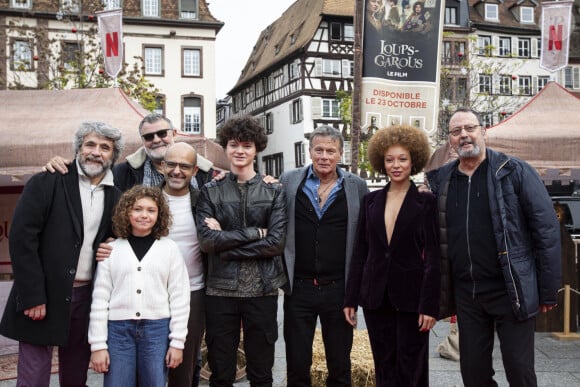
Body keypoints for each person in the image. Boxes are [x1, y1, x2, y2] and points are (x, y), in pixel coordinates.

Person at [426, 107, 561, 387]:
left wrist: (547, 291)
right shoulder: (443, 180)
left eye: (469, 128)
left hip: (509, 289)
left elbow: (546, 231)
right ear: (449, 140)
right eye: (455, 131)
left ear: (483, 130)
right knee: (473, 373)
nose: (463, 135)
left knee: (519, 370)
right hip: (467, 293)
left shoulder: (514, 170)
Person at [0, 121, 124, 386]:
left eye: (105, 147)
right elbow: (22, 240)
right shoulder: (47, 181)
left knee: (76, 374)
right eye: (90, 144)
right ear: (78, 148)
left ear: (113, 155)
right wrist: (33, 296)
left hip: (87, 297)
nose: (96, 152)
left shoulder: (116, 195)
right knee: (34, 376)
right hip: (42, 294)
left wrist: (113, 243)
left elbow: (118, 237)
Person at [343, 125, 440, 386]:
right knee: (384, 367)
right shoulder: (370, 201)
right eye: (389, 160)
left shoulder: (427, 202)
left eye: (402, 159)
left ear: (414, 161)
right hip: (376, 297)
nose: (396, 165)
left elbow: (433, 257)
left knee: (412, 369)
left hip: (412, 298)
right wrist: (350, 298)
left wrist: (430, 305)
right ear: (381, 163)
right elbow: (360, 252)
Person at [195, 115, 288, 386]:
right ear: (225, 147)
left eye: (246, 145)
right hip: (220, 291)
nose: (240, 151)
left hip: (262, 289)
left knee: (261, 373)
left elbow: (276, 243)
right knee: (221, 374)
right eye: (234, 144)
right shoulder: (210, 191)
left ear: (256, 149)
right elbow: (207, 242)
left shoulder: (274, 191)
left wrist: (227, 245)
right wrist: (250, 235)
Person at [279, 125, 368, 386]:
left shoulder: (356, 186)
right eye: (319, 150)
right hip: (299, 288)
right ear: (310, 152)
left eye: (331, 151)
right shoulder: (289, 181)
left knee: (340, 364)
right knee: (297, 363)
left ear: (340, 154)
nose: (324, 156)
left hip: (339, 289)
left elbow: (366, 231)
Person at [89, 185, 191, 387]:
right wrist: (98, 345)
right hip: (118, 331)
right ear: (126, 212)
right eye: (137, 209)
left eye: (151, 210)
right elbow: (100, 299)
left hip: (157, 330)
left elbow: (180, 297)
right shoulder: (112, 250)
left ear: (159, 214)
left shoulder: (169, 249)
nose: (144, 215)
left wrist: (177, 342)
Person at [44, 112, 216, 192]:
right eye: (149, 137)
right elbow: (90, 178)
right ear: (142, 141)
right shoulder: (122, 172)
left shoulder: (205, 172)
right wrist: (65, 165)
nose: (156, 140)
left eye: (162, 133)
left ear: (174, 134)